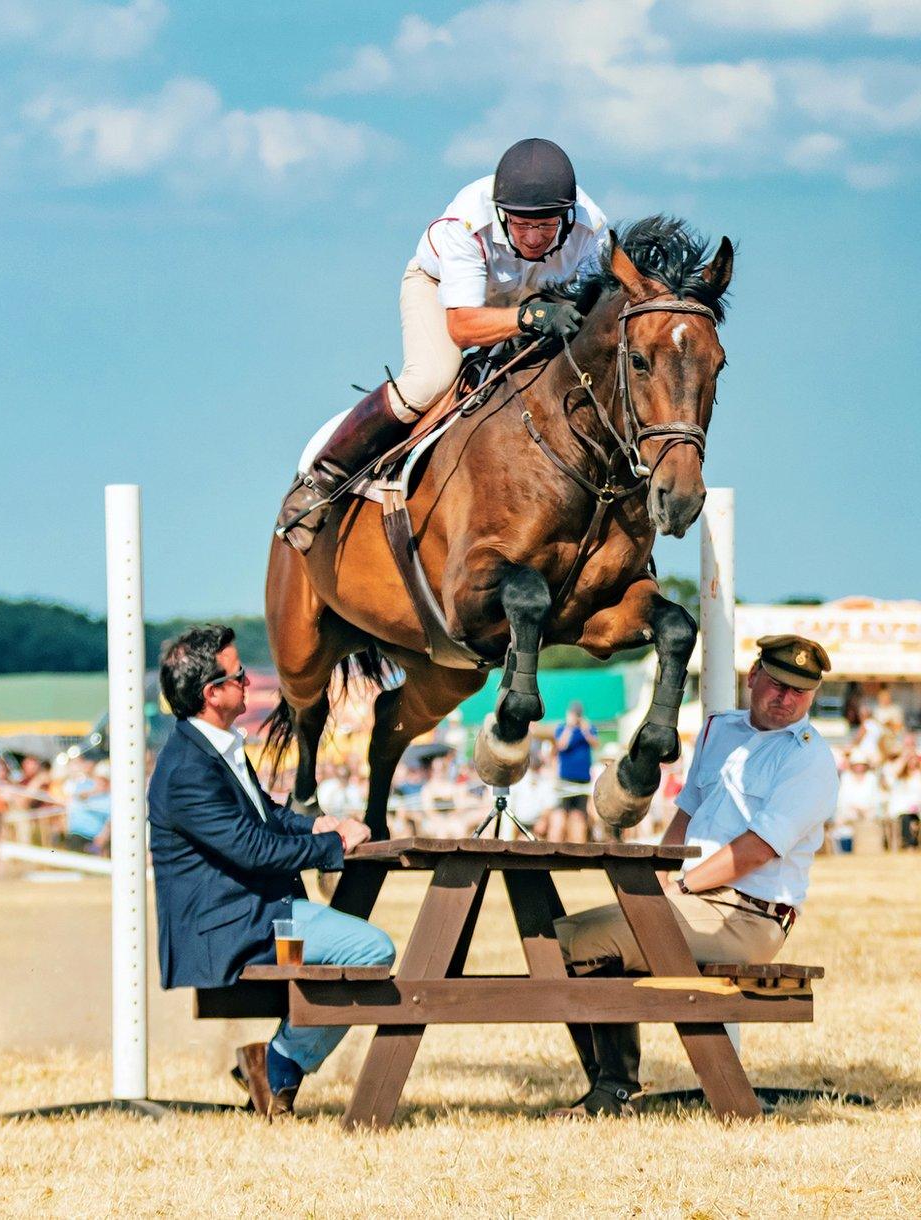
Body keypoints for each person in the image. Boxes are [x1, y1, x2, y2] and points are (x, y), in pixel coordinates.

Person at [550, 634, 839, 1117]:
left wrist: (681, 885)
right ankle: (613, 1087)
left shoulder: (809, 757)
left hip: (749, 915)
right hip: (694, 900)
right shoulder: (717, 730)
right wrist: (657, 879)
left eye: (800, 691)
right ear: (754, 677)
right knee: (563, 940)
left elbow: (757, 849)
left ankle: (615, 1091)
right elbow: (686, 814)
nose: (786, 699)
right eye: (777, 684)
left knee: (580, 942)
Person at [276, 137, 610, 552]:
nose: (534, 237)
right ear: (502, 213)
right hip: (444, 295)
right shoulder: (467, 223)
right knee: (430, 380)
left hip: (535, 298)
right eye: (522, 225)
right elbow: (463, 327)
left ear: (566, 215)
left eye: (546, 225)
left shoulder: (592, 228)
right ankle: (321, 479)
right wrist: (528, 318)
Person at [148, 625, 395, 1120]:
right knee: (373, 950)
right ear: (211, 693)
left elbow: (265, 816)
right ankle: (279, 1063)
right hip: (235, 928)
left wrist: (313, 824)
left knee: (356, 953)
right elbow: (253, 849)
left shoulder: (210, 748)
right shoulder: (187, 770)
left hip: (258, 916)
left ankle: (274, 1065)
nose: (250, 679)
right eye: (239, 675)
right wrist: (332, 844)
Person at [552, 701, 599, 842]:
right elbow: (561, 745)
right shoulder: (562, 728)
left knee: (578, 817)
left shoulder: (588, 728)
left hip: (583, 780)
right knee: (560, 816)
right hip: (565, 779)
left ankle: (578, 852)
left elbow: (595, 744)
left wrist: (585, 730)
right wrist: (570, 727)